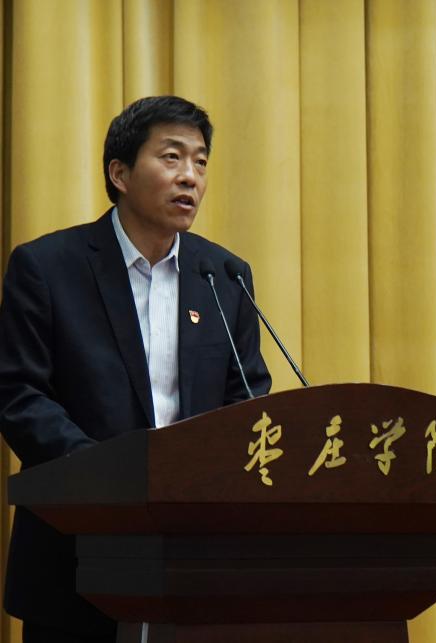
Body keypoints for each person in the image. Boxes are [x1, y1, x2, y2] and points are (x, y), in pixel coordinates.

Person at [0, 95, 271, 642]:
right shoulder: (48, 267)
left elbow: (246, 398)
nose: (189, 176)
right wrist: (106, 475)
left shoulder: (224, 276)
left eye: (200, 162)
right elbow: (19, 393)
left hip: (195, 559)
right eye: (171, 157)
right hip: (76, 552)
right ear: (119, 173)